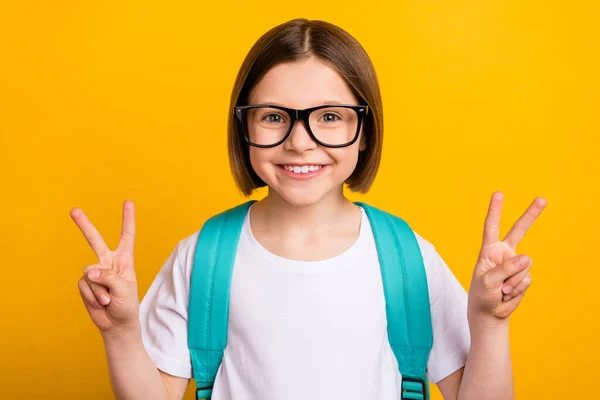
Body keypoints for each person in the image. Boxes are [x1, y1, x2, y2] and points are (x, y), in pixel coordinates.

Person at [71, 18, 546, 400]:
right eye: (275, 117)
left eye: (330, 117)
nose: (300, 143)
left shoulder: (408, 260)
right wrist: (120, 335)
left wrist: (488, 325)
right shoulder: (204, 257)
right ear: (244, 128)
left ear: (364, 131)